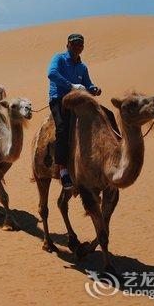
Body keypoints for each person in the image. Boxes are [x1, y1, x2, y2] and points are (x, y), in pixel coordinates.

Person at [47, 33, 101, 190]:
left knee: (103, 118)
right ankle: (63, 170)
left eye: (80, 44)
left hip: (78, 102)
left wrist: (94, 89)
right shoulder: (59, 59)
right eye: (74, 44)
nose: (77, 47)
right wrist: (71, 85)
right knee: (63, 129)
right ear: (68, 45)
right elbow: (52, 74)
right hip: (60, 100)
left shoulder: (82, 67)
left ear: (82, 47)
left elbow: (88, 84)